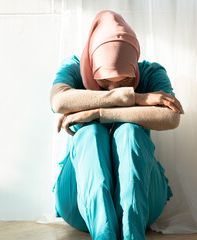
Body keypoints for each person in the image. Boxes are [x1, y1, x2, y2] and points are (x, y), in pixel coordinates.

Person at [49, 10, 184, 240]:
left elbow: (171, 118)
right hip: (79, 204)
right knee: (90, 134)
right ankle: (104, 233)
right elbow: (59, 100)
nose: (115, 88)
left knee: (129, 132)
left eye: (125, 81)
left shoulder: (152, 73)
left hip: (143, 206)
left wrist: (98, 112)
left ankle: (132, 234)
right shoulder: (74, 68)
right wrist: (135, 98)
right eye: (104, 82)